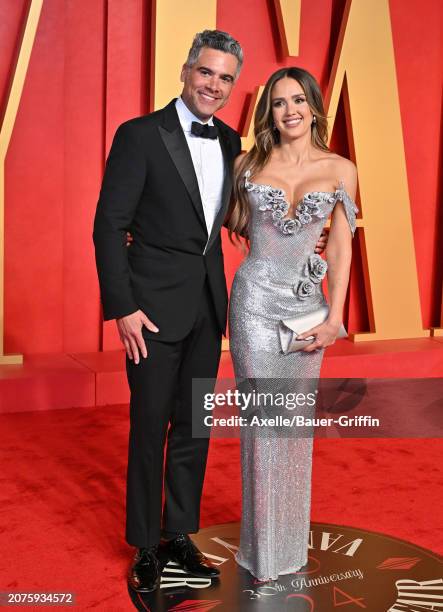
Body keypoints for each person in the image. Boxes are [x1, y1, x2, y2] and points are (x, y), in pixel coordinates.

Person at [93, 30, 244, 592]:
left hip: (208, 306)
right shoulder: (139, 135)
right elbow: (108, 224)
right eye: (206, 72)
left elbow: (232, 220)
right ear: (185, 70)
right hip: (151, 311)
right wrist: (123, 307)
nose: (214, 85)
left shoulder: (232, 142)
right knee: (149, 425)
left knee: (194, 428)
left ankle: (180, 533)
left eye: (225, 78)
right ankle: (146, 544)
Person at [227, 67, 358, 581]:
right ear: (269, 113)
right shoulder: (246, 163)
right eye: (279, 103)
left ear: (314, 105)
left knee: (294, 428)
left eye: (298, 100)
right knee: (262, 426)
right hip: (255, 303)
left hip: (308, 307)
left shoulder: (341, 168)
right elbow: (219, 220)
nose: (290, 110)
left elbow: (343, 246)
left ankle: (288, 551)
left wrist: (337, 318)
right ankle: (262, 557)